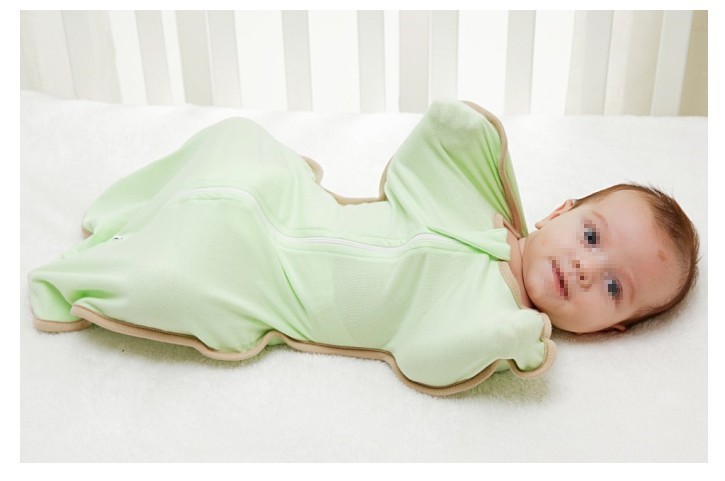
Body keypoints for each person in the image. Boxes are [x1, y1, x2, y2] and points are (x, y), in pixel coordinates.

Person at [27, 99, 699, 395]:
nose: (585, 267)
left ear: (610, 329)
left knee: (175, 277)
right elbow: (424, 170)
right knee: (237, 144)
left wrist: (509, 339)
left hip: (276, 284)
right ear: (559, 211)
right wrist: (455, 131)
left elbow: (425, 356)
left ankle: (78, 276)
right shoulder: (487, 209)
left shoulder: (498, 322)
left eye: (614, 287)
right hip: (302, 207)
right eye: (591, 235)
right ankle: (120, 209)